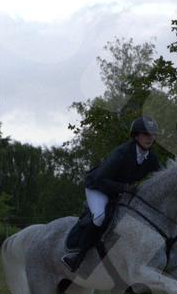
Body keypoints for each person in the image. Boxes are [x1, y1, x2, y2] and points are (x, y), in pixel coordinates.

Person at [62, 116, 163, 270]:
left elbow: (162, 177)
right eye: (146, 134)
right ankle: (77, 257)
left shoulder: (151, 157)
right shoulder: (122, 153)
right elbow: (100, 179)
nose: (150, 138)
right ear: (136, 136)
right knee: (99, 217)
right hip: (97, 187)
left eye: (152, 135)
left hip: (118, 191)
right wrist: (125, 188)